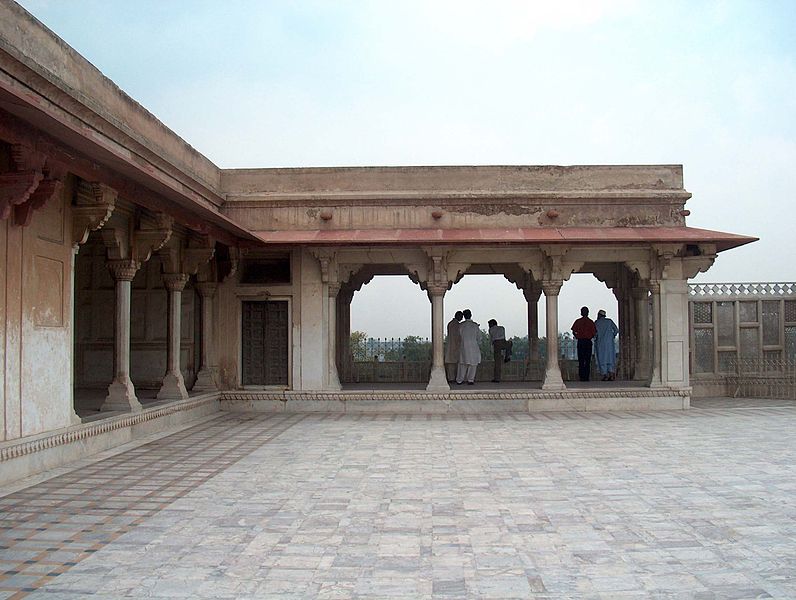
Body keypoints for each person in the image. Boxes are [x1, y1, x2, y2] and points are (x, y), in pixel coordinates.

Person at [456, 309, 481, 385]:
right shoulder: (475, 325)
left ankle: (460, 380)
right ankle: (470, 380)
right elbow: (479, 337)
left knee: (462, 364)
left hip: (464, 346)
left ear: (464, 316)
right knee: (473, 364)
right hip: (474, 347)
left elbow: (458, 336)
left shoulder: (461, 325)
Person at [571, 306, 596, 382]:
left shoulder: (578, 321)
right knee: (587, 360)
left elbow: (573, 331)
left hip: (581, 341)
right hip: (587, 342)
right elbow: (594, 333)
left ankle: (582, 376)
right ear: (588, 313)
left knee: (581, 360)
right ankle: (586, 377)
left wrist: (577, 336)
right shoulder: (590, 322)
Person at [594, 309, 619, 381]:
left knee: (602, 359)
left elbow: (595, 333)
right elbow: (616, 330)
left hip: (600, 343)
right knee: (610, 358)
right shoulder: (609, 321)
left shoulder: (597, 322)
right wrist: (612, 336)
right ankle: (611, 374)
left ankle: (605, 375)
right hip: (609, 343)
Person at [444, 311, 464, 382]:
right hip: (455, 345)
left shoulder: (451, 323)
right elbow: (457, 336)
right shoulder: (456, 325)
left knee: (451, 364)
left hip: (451, 345)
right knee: (453, 364)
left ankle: (451, 378)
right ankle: (452, 379)